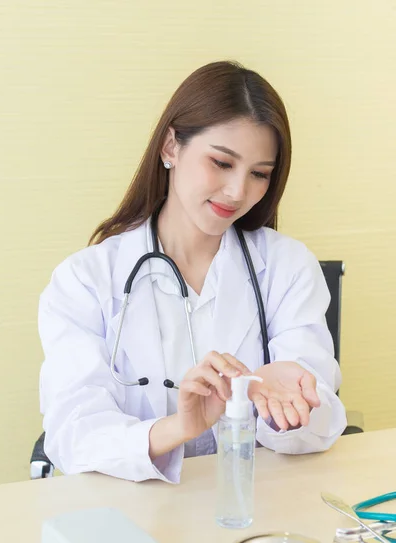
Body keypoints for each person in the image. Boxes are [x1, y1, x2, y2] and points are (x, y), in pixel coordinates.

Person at [37, 60, 347, 484]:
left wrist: (283, 406)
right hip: (137, 514)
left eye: (259, 174)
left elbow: (320, 419)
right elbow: (72, 433)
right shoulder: (86, 280)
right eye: (221, 163)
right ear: (170, 147)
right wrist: (178, 428)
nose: (239, 191)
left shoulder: (289, 268)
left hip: (253, 507)